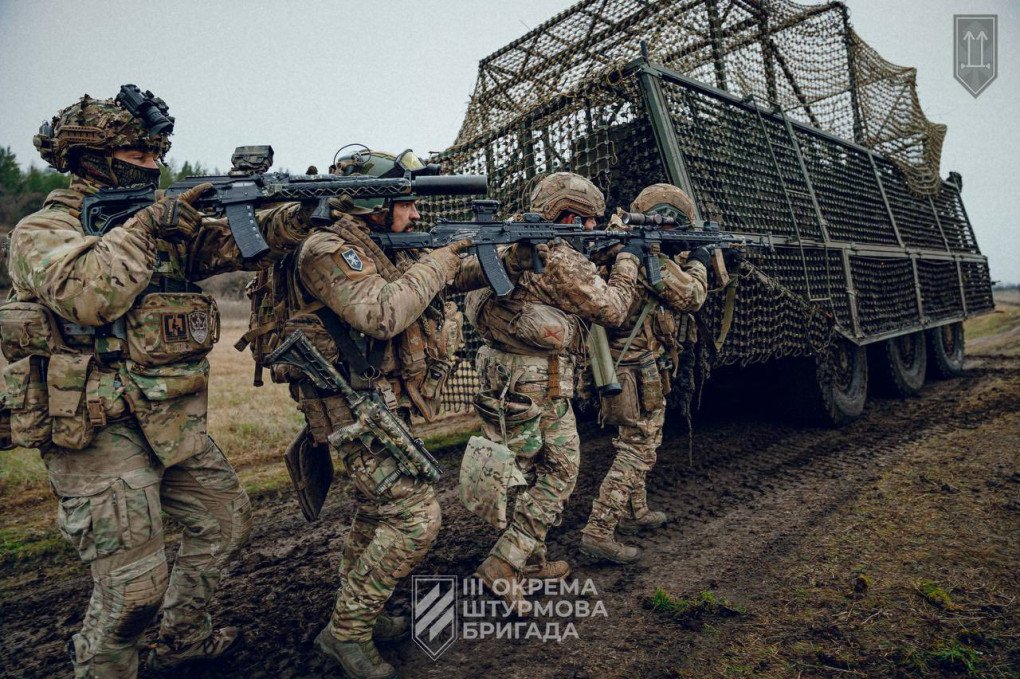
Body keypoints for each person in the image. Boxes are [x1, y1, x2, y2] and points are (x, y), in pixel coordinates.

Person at [2, 88, 309, 677]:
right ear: (91, 159)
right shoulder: (42, 232)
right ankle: (103, 666)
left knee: (223, 523)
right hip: (95, 429)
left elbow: (230, 244)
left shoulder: (152, 220)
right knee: (134, 591)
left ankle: (183, 641)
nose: (154, 165)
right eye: (138, 155)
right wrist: (148, 225)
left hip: (168, 418)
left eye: (156, 153)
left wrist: (295, 217)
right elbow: (90, 293)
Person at [252, 148, 495, 679]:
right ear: (374, 204)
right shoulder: (326, 249)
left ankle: (362, 610)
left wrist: (498, 258)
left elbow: (440, 279)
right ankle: (346, 632)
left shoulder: (371, 243)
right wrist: (441, 258)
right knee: (416, 517)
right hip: (347, 405)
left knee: (376, 511)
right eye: (405, 205)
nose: (414, 216)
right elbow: (382, 312)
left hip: (374, 400)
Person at [463, 171, 640, 611]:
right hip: (538, 381)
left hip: (505, 376)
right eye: (585, 221)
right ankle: (504, 564)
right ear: (566, 215)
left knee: (527, 468)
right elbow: (613, 309)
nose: (588, 230)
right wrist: (627, 261)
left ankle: (531, 560)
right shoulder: (556, 255)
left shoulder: (507, 244)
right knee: (560, 471)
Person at [578, 183, 709, 563]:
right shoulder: (651, 263)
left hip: (621, 367)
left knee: (631, 440)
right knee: (639, 450)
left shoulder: (614, 252)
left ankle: (635, 511)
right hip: (636, 370)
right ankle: (599, 529)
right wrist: (699, 259)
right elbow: (692, 296)